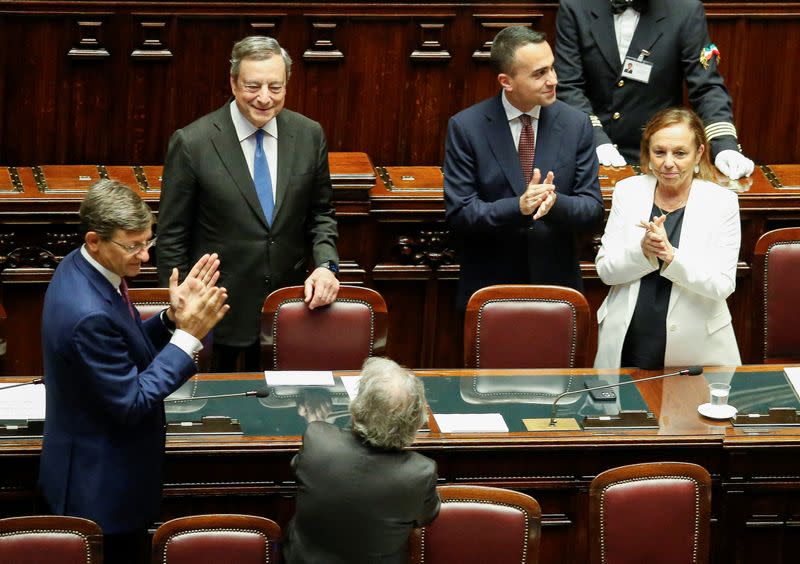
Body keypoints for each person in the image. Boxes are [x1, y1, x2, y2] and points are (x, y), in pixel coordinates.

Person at [39, 180, 229, 564]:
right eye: (133, 246)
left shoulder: (81, 268)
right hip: (100, 486)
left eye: (148, 242)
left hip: (99, 465)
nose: (145, 256)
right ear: (95, 240)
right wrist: (189, 337)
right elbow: (131, 401)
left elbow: (119, 345)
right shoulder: (86, 310)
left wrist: (170, 319)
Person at [157, 35, 339, 371]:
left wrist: (327, 266)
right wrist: (182, 305)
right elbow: (171, 234)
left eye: (275, 87)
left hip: (291, 311)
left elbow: (321, 213)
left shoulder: (309, 134)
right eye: (253, 86)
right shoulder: (193, 142)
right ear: (233, 82)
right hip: (215, 314)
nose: (265, 98)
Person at [444, 26, 604, 310]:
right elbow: (461, 212)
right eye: (539, 73)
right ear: (507, 81)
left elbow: (592, 208)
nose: (553, 80)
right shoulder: (467, 127)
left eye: (552, 68)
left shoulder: (576, 124)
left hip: (557, 286)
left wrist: (553, 203)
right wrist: (518, 206)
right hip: (489, 287)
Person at [594, 107, 741, 369]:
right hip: (628, 341)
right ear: (648, 153)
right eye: (659, 152)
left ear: (699, 154)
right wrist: (644, 251)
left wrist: (671, 256)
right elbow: (606, 271)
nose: (668, 163)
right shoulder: (627, 192)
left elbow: (722, 285)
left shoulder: (722, 202)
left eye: (680, 153)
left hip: (697, 349)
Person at [555, 0, 755, 179]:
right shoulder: (576, 6)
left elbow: (707, 88)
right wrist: (594, 138)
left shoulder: (684, 9)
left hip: (659, 157)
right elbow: (568, 86)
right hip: (591, 154)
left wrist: (724, 145)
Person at [283, 357, 440, 564]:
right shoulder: (421, 472)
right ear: (415, 422)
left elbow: (299, 466)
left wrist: (319, 424)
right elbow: (427, 515)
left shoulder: (317, 439)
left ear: (357, 407)